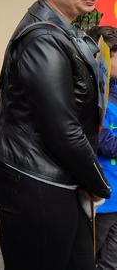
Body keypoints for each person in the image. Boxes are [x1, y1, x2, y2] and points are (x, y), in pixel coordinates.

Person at [0, 0, 112, 270]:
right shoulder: (43, 40)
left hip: (61, 177)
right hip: (36, 183)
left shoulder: (64, 29)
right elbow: (63, 128)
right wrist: (98, 182)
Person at [87, 25, 117, 270]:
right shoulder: (96, 98)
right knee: (88, 256)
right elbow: (103, 142)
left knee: (111, 262)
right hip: (103, 199)